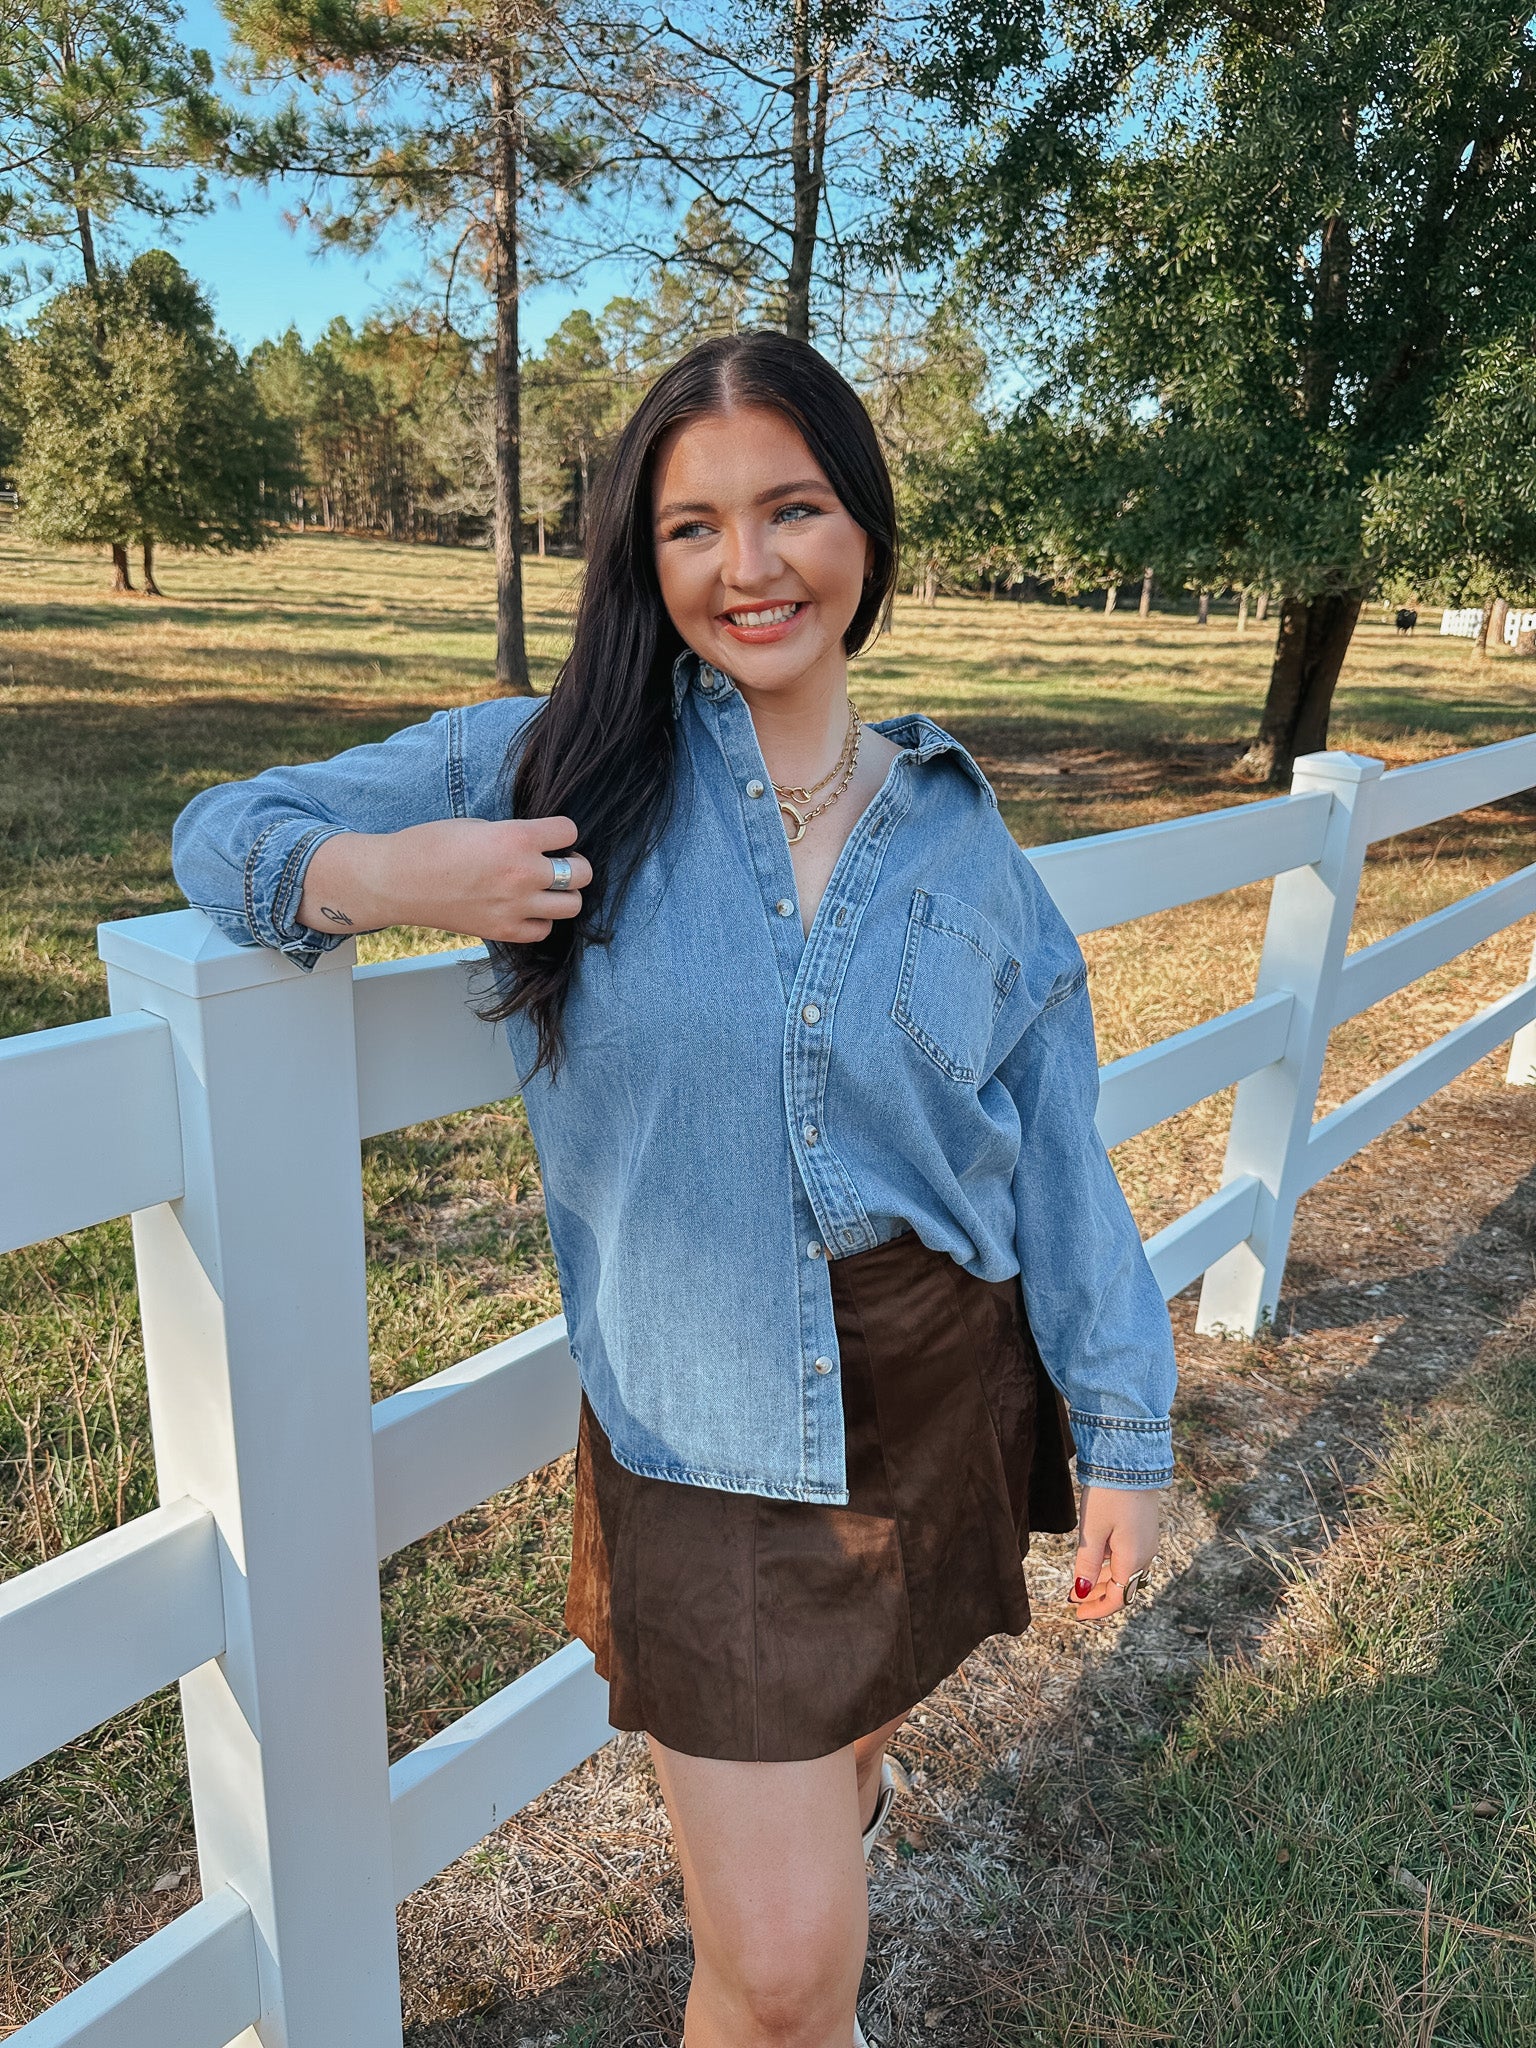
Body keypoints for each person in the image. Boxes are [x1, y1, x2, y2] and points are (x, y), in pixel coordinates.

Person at [171, 331, 1176, 2048]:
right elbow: (223, 829)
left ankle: (835, 1832)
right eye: (692, 527)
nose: (747, 565)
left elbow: (1059, 1156)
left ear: (864, 526)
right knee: (779, 1974)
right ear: (645, 562)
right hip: (709, 1427)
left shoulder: (961, 835)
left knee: (842, 1783)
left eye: (792, 510)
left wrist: (1126, 1431)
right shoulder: (560, 762)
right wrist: (387, 873)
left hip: (943, 1380)